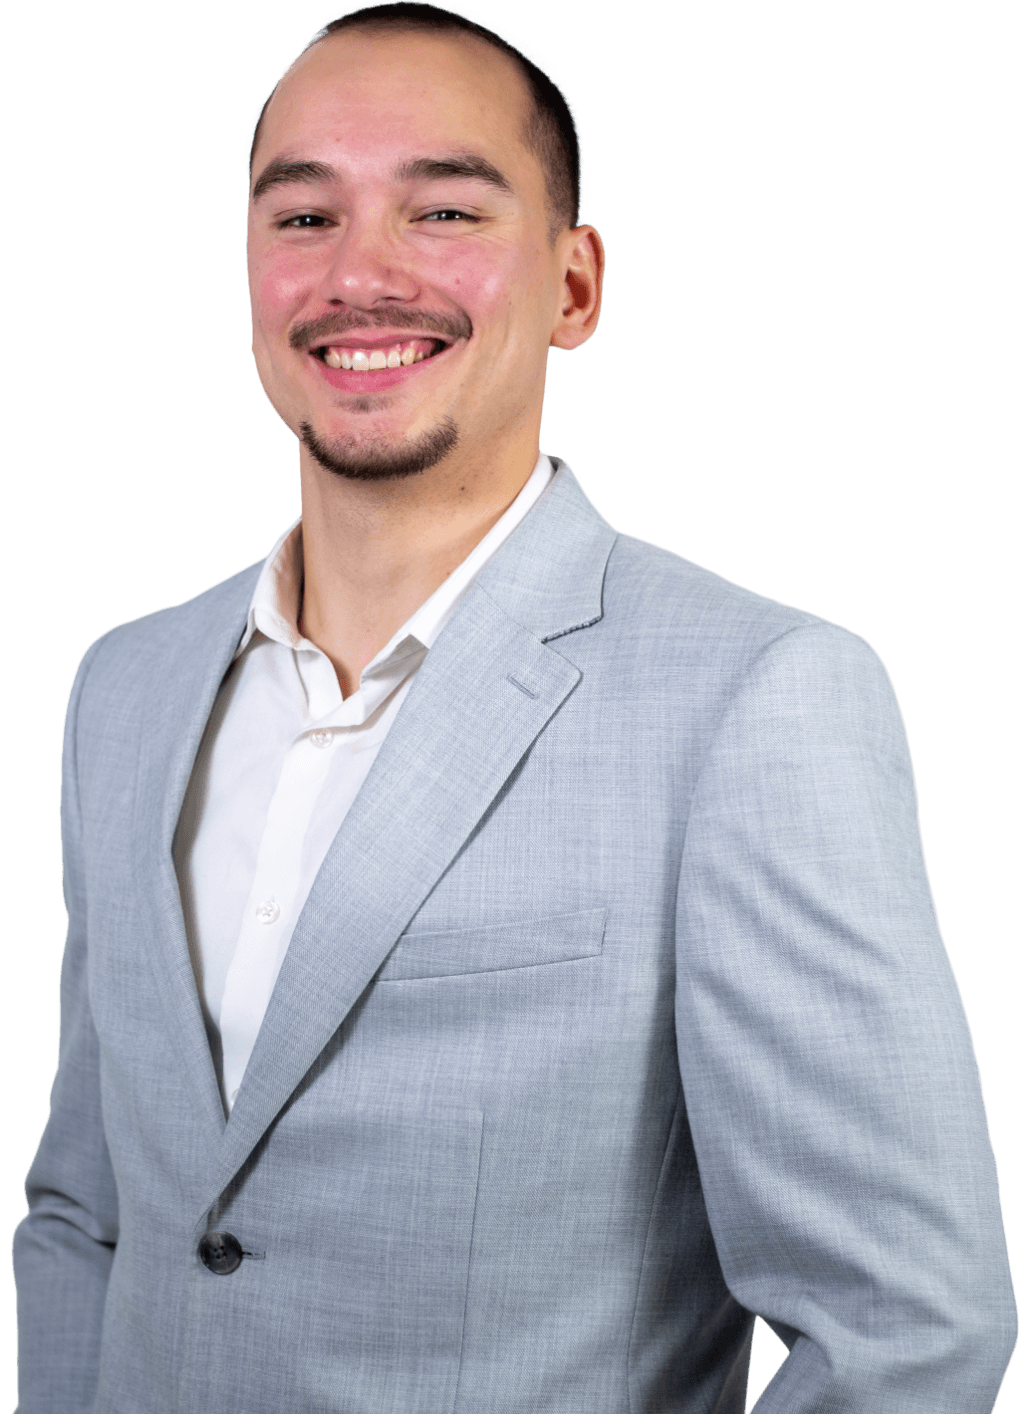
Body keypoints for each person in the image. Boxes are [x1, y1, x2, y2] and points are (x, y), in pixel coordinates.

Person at [12, 2, 1017, 1410]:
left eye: (442, 211)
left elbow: (903, 1327)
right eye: (303, 216)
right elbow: (87, 1211)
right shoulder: (122, 688)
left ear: (575, 287)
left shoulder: (758, 698)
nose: (358, 273)